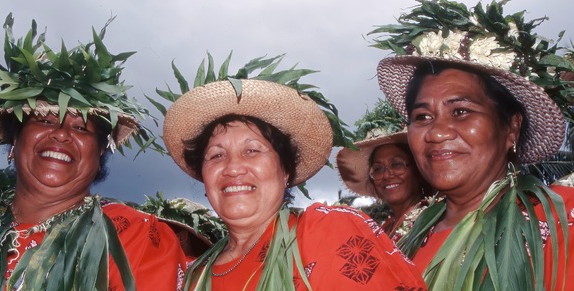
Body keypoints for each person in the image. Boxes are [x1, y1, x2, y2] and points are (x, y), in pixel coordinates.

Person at [0, 15, 186, 290]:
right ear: (15, 140)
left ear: (99, 157)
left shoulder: (134, 235)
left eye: (82, 128)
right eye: (45, 120)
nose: (61, 134)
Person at [372, 2, 574, 289]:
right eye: (422, 116)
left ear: (512, 127)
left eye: (460, 111)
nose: (436, 133)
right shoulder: (402, 239)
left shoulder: (569, 221)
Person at [163, 78, 426, 290]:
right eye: (216, 156)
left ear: (285, 170)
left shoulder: (329, 233)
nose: (232, 167)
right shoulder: (193, 277)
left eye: (252, 151)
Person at [336, 131, 432, 242]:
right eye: (378, 169)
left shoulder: (433, 220)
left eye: (396, 164)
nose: (386, 175)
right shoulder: (383, 230)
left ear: (418, 170)